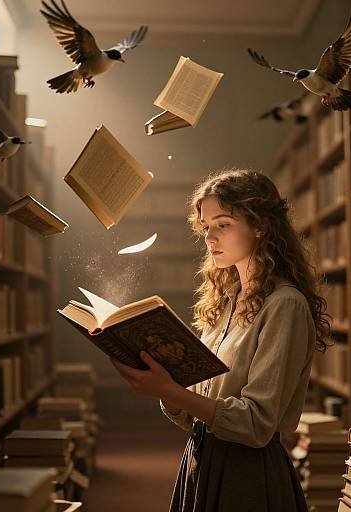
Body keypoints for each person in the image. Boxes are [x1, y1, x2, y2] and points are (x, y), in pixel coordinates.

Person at [110, 169, 331, 511]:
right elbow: (194, 414)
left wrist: (169, 390)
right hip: (201, 461)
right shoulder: (224, 299)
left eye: (223, 224)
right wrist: (167, 387)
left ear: (260, 226)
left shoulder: (284, 305)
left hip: (247, 474)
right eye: (205, 226)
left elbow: (256, 423)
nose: (210, 237)